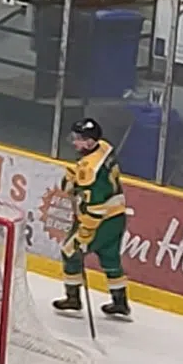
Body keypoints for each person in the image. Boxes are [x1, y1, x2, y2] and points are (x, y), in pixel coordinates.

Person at [50, 117, 131, 320]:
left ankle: (73, 299)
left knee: (70, 250)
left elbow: (94, 206)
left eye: (78, 138)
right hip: (117, 215)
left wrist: (85, 233)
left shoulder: (89, 170)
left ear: (88, 142)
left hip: (100, 220)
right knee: (110, 257)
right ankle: (120, 303)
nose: (74, 142)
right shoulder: (104, 147)